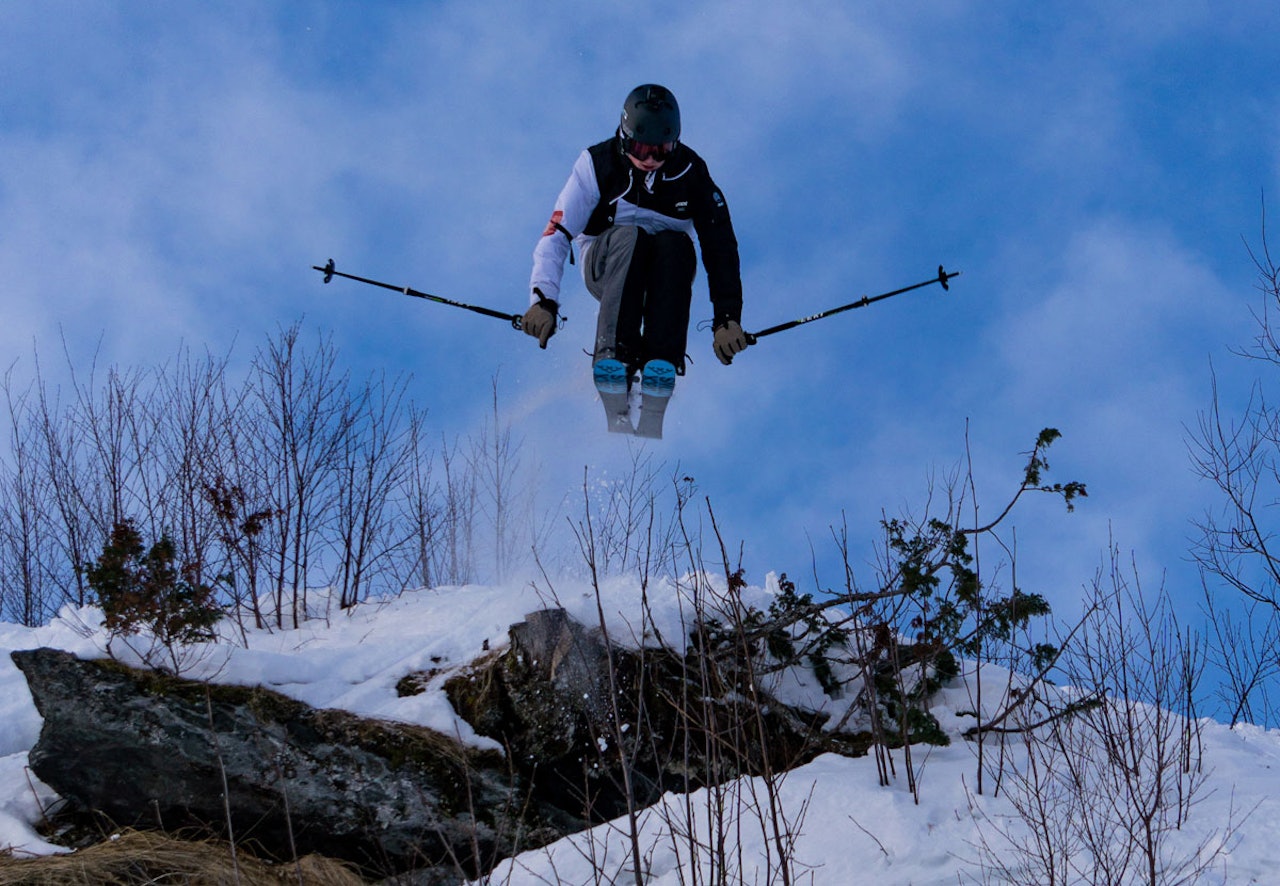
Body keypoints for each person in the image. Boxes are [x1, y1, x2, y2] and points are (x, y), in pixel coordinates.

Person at [523, 84, 749, 438]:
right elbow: (556, 234)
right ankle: (615, 357)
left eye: (660, 149)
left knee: (676, 245)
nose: (650, 159)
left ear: (674, 143)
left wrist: (727, 318)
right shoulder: (597, 164)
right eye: (642, 148)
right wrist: (543, 300)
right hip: (606, 263)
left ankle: (660, 364)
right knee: (632, 237)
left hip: (661, 276)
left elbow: (720, 247)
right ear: (625, 138)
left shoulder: (692, 174)